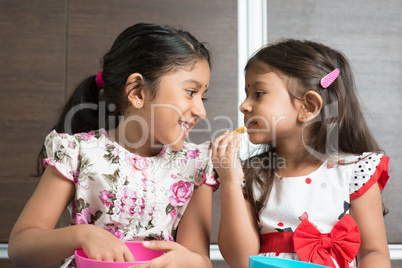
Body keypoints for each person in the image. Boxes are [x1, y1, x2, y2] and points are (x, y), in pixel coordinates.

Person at [8, 22, 218, 268]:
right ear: (137, 92)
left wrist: (192, 262)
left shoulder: (195, 164)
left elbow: (200, 258)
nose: (201, 110)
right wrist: (83, 235)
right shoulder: (78, 152)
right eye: (191, 92)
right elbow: (21, 247)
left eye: (202, 96)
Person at [212, 39, 391, 268]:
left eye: (258, 93)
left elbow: (373, 252)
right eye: (246, 94)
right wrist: (229, 180)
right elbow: (240, 260)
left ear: (307, 106)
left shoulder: (356, 171)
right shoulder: (249, 175)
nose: (244, 106)